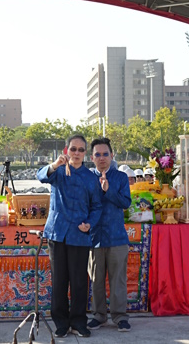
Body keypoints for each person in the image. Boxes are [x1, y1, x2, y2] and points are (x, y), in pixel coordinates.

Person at [37, 134, 102, 338]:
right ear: (66, 150)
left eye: (81, 150)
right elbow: (41, 176)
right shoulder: (58, 172)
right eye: (73, 149)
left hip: (79, 235)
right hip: (57, 233)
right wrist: (55, 164)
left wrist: (89, 224)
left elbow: (97, 206)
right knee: (59, 281)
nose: (76, 153)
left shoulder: (91, 178)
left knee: (79, 281)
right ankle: (61, 323)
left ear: (85, 153)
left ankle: (78, 322)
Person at [87, 137, 132, 333]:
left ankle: (120, 316)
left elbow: (126, 202)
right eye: (97, 154)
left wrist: (108, 190)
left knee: (118, 280)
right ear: (91, 157)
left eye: (105, 154)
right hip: (94, 238)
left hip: (116, 237)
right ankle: (99, 315)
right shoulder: (87, 178)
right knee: (96, 280)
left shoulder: (120, 178)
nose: (102, 158)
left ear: (112, 155)